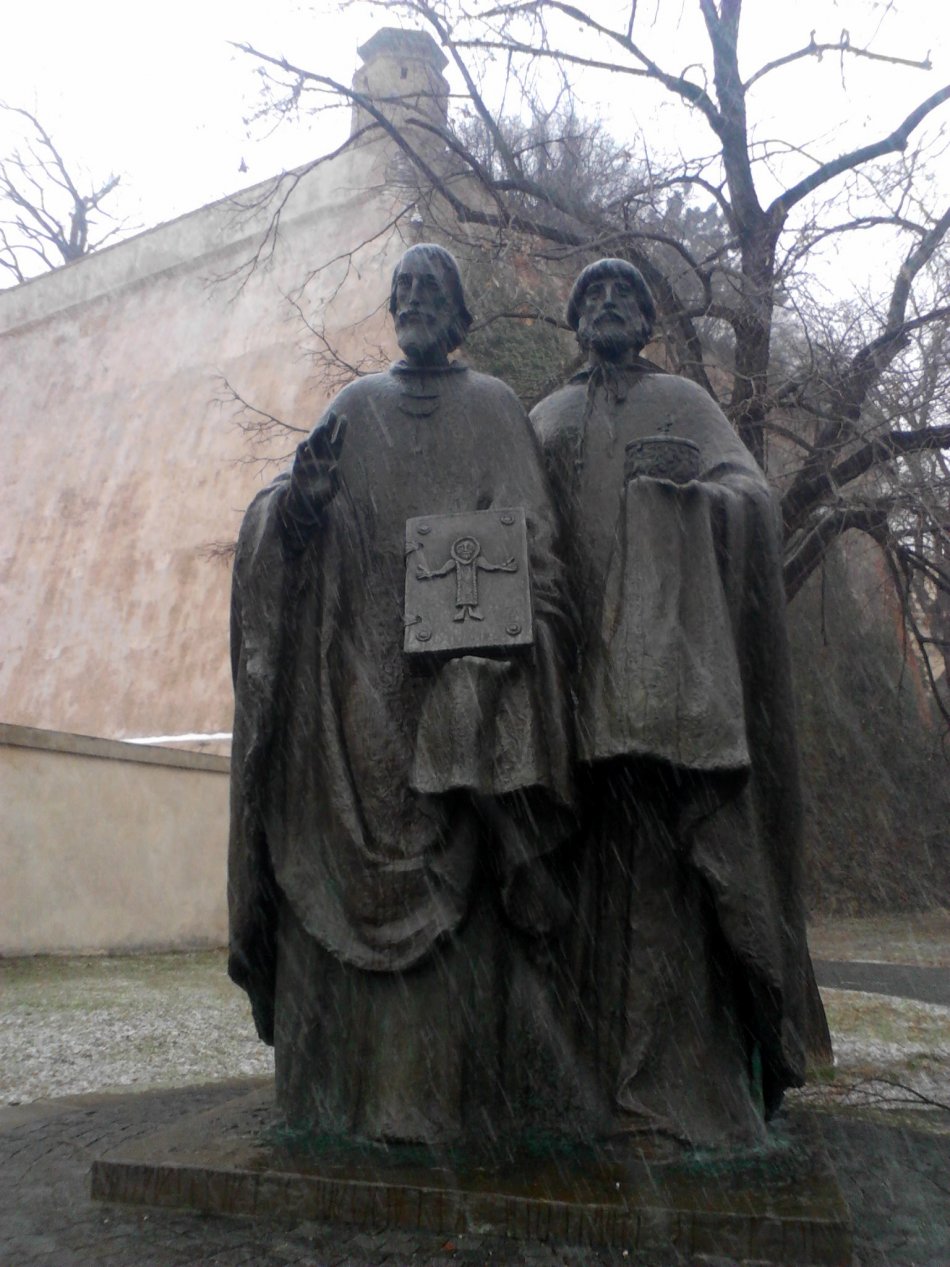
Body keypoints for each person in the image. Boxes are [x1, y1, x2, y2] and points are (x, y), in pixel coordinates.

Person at [228, 244, 589, 1147]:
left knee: (459, 856)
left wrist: (513, 647)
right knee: (339, 862)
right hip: (357, 689)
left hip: (457, 684)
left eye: (433, 290)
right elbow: (284, 514)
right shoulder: (355, 407)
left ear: (461, 313)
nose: (416, 301)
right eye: (404, 290)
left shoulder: (496, 408)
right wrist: (301, 505)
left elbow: (536, 549)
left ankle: (436, 1105)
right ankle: (335, 1100)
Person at [530, 259, 830, 1149]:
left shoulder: (686, 405)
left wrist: (690, 511)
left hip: (663, 701)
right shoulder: (543, 418)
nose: (607, 304)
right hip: (570, 688)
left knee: (666, 891)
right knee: (570, 890)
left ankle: (670, 1089)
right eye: (592, 295)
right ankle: (573, 1088)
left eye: (625, 295)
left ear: (647, 319)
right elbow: (507, 528)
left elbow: (754, 499)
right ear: (576, 319)